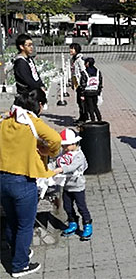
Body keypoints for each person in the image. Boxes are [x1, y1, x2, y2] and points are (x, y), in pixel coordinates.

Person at [0, 89, 62, 277]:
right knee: (25, 225)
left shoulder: (5, 121)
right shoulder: (32, 122)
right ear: (39, 105)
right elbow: (56, 140)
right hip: (23, 181)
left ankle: (17, 252)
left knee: (11, 221)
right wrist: (47, 151)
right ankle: (20, 265)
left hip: (3, 179)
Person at [54, 128, 93, 240]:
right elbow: (57, 161)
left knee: (81, 207)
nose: (64, 148)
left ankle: (87, 224)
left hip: (77, 186)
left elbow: (72, 167)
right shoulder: (63, 153)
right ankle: (72, 222)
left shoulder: (78, 155)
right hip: (67, 186)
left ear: (74, 143)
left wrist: (60, 170)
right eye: (63, 146)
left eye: (66, 146)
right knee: (67, 206)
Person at [79, 58, 102, 122]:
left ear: (87, 64)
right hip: (95, 91)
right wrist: (99, 91)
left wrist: (82, 94)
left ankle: (93, 121)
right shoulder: (98, 71)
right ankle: (99, 119)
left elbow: (82, 84)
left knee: (90, 107)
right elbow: (100, 82)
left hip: (87, 92)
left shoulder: (84, 72)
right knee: (95, 106)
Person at [69, 43, 87, 123]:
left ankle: (84, 117)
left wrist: (82, 85)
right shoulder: (73, 59)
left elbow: (83, 72)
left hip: (81, 84)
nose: (70, 50)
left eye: (72, 49)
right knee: (79, 101)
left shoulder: (80, 60)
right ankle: (81, 116)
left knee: (82, 101)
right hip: (76, 84)